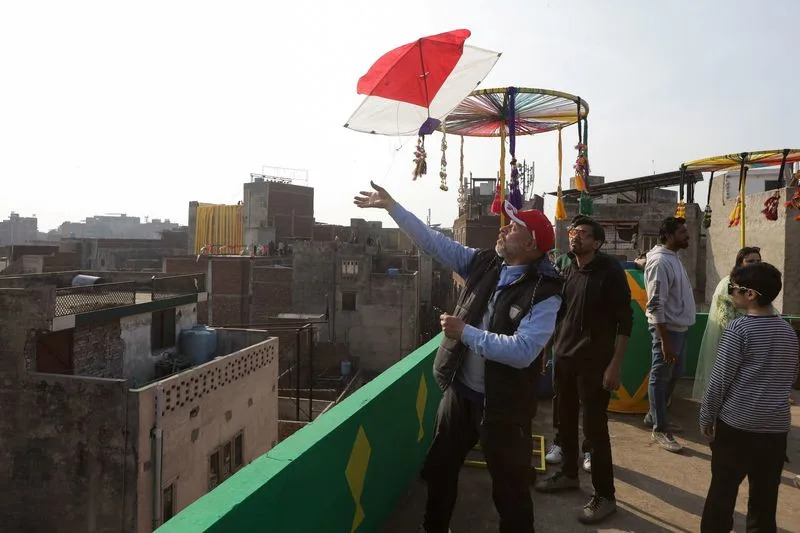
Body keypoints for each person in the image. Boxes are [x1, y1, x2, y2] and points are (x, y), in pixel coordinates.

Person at [354, 181, 562, 533]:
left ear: (530, 245)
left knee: (510, 492)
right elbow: (434, 243)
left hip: (503, 407)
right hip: (461, 395)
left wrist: (465, 332)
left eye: (514, 227)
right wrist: (393, 207)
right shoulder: (484, 264)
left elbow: (524, 351)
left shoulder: (546, 293)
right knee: (440, 470)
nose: (505, 229)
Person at [534, 216, 632, 524]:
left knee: (594, 429)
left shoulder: (610, 272)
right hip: (564, 358)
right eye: (573, 232)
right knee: (563, 419)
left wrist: (615, 365)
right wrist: (546, 348)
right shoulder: (568, 268)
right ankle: (568, 475)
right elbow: (560, 313)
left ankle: (605, 496)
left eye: (583, 234)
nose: (575, 237)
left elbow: (625, 322)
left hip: (594, 362)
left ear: (598, 243)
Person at [699, 262, 799, 532]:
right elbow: (790, 377)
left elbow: (719, 381)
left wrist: (707, 416)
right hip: (775, 431)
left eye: (734, 288)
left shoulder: (738, 330)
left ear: (750, 294)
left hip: (737, 429)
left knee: (722, 493)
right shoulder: (789, 332)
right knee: (765, 501)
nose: (731, 292)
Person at [643, 217, 695, 452]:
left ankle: (655, 415)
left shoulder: (672, 258)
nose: (688, 235)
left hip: (680, 329)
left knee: (675, 373)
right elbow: (655, 304)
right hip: (668, 331)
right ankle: (660, 429)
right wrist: (664, 340)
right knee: (660, 376)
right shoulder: (661, 262)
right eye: (683, 231)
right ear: (669, 235)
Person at [691, 247, 763, 401]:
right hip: (732, 342)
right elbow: (725, 320)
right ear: (740, 263)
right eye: (750, 261)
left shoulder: (759, 284)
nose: (755, 264)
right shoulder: (729, 284)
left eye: (758, 261)